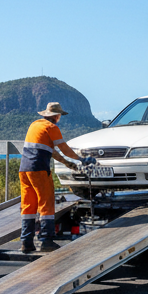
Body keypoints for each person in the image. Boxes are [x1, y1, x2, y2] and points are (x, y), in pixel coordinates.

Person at [19, 102, 85, 252]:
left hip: (24, 170)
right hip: (39, 169)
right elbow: (64, 148)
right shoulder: (52, 127)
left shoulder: (35, 125)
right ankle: (46, 240)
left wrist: (68, 163)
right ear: (57, 116)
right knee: (46, 204)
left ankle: (26, 242)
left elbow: (52, 151)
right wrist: (81, 159)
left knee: (29, 205)